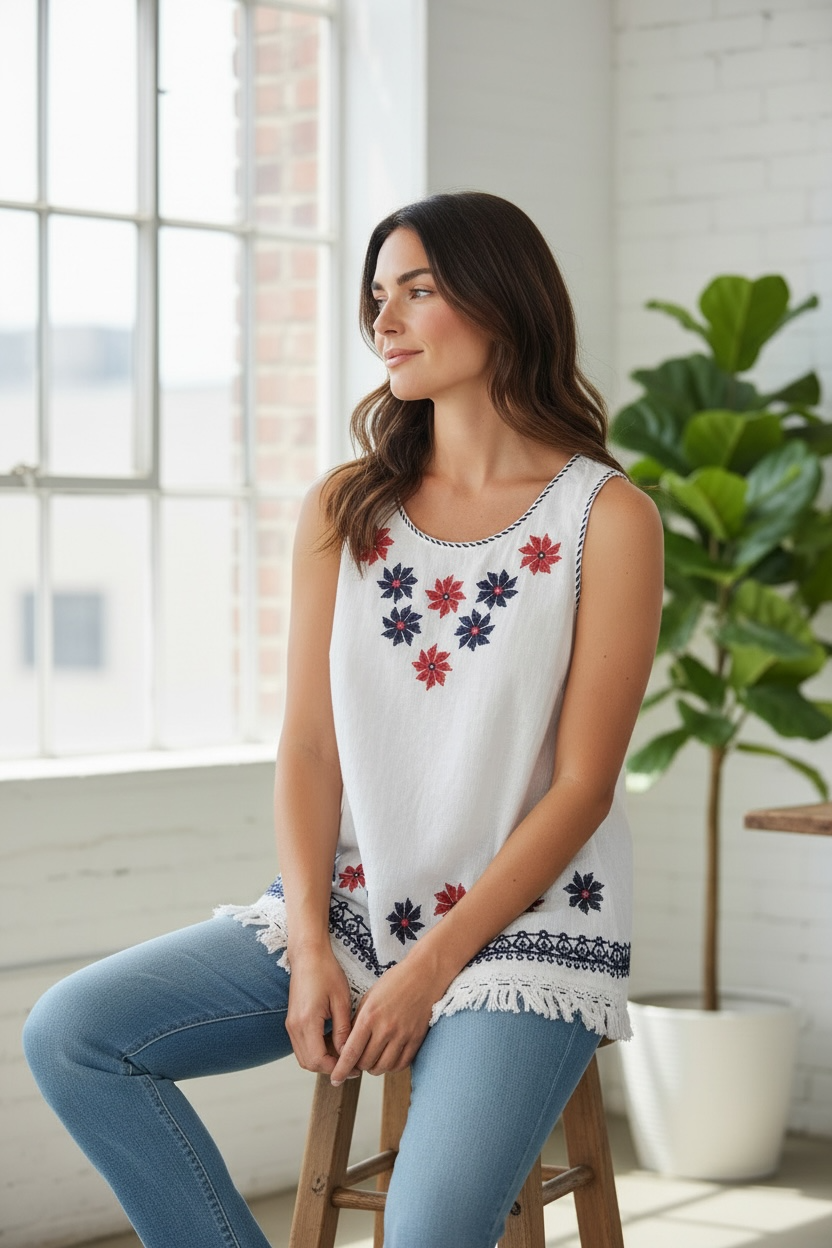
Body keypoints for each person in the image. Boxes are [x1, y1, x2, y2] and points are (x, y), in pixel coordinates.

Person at [23, 191, 663, 1248]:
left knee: (425, 1235)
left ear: (505, 302)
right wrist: (313, 943)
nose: (385, 320)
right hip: (359, 907)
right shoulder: (348, 508)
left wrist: (428, 970)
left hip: (528, 928)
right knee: (74, 1035)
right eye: (378, 295)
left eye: (419, 289)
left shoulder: (606, 517)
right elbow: (311, 747)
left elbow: (584, 785)